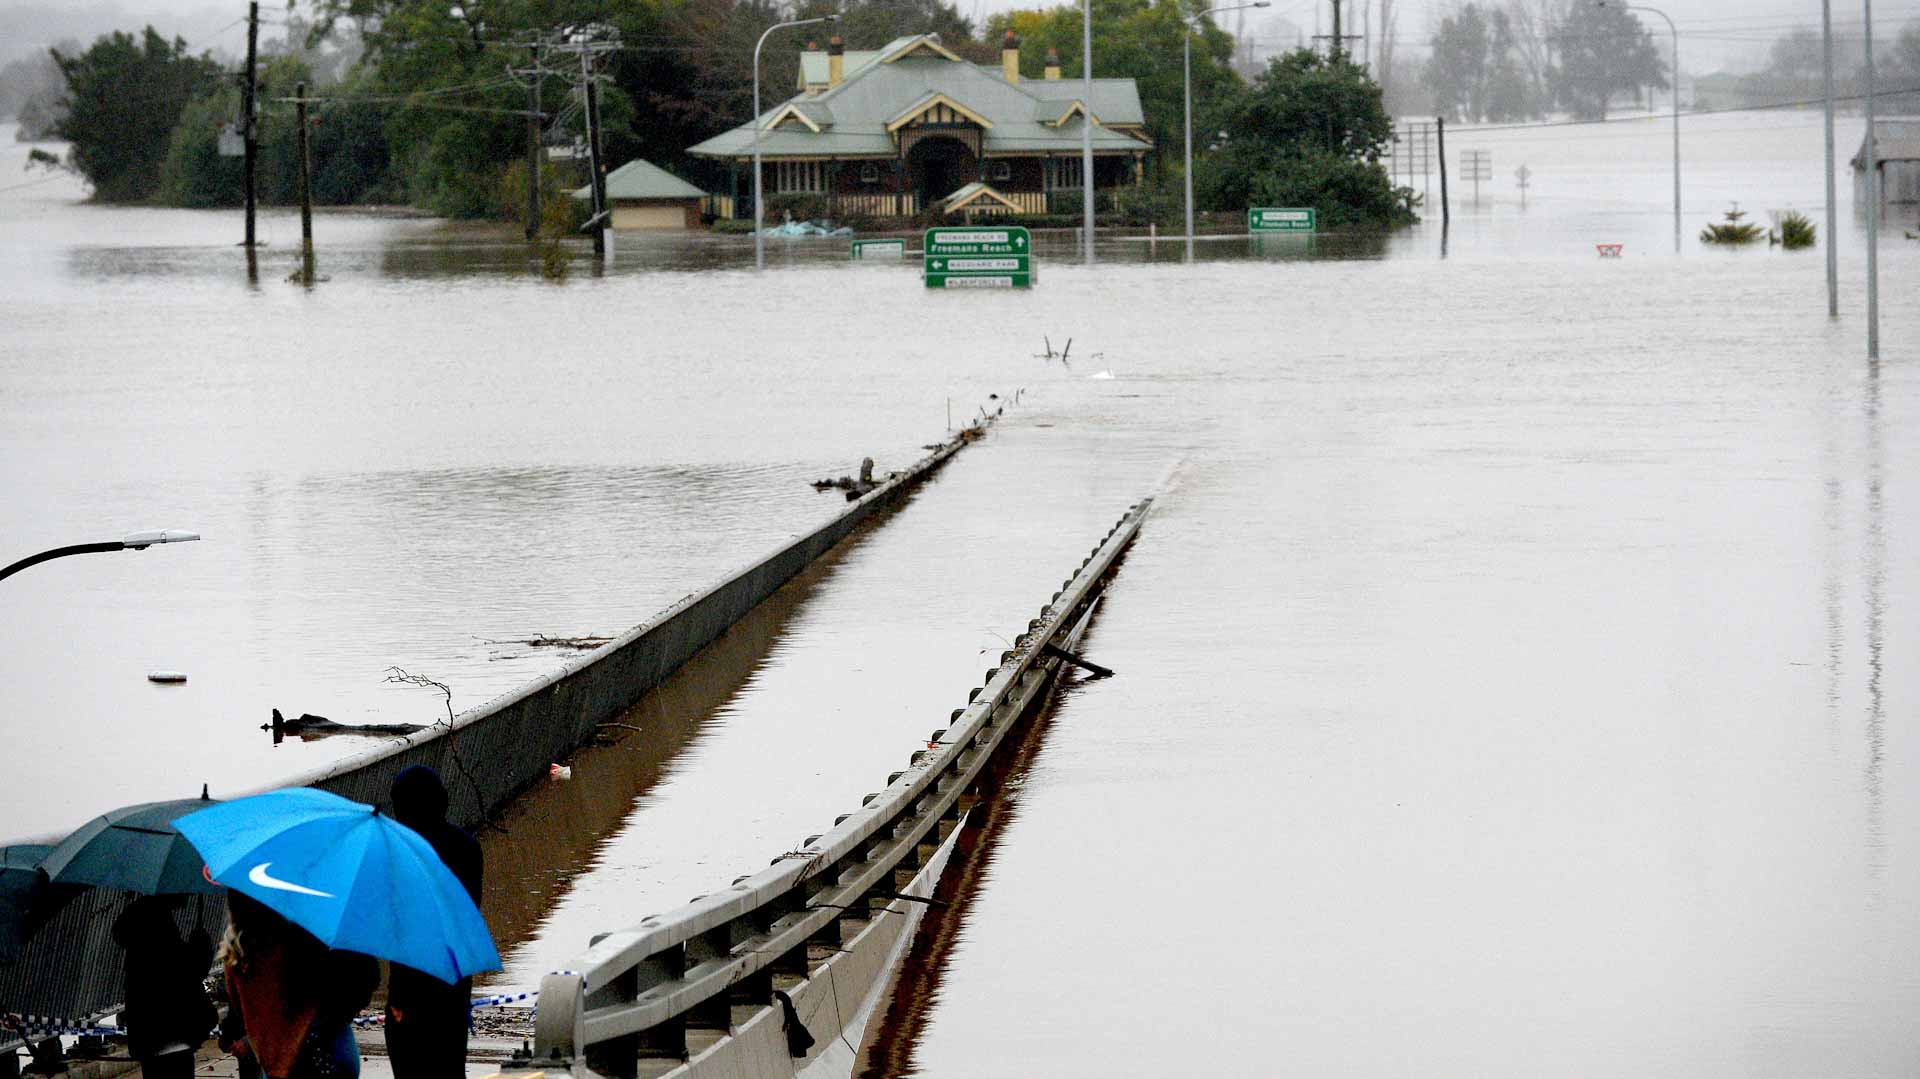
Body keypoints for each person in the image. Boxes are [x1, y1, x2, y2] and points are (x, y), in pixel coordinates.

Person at [385, 765, 483, 1079]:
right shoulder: (467, 846)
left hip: (410, 994)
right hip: (454, 986)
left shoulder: (400, 851)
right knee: (450, 1068)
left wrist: (398, 998)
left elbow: (403, 928)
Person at [219, 891, 378, 1079]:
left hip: (278, 1057)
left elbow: (239, 1005)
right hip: (326, 1047)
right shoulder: (312, 929)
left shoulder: (241, 948)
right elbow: (366, 977)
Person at [111, 895, 215, 1079]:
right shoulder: (161, 928)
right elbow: (186, 975)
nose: (188, 895)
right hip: (174, 1034)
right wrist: (201, 948)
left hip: (148, 1037)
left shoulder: (139, 932)